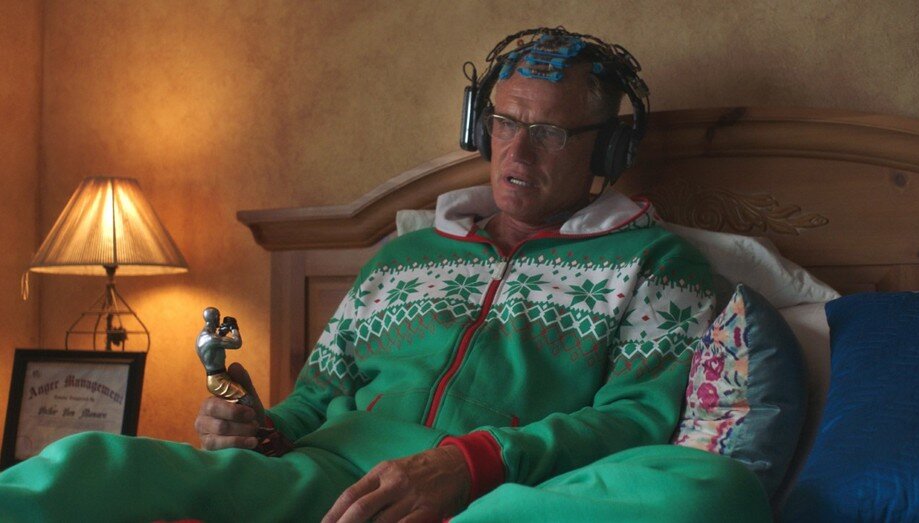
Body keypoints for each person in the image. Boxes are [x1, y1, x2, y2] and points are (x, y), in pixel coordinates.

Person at [0, 28, 770, 522]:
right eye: (504, 122)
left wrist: (467, 463)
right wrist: (258, 429)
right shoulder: (402, 257)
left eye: (549, 132)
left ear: (606, 149)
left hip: (504, 494)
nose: (516, 151)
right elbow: (313, 399)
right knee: (89, 460)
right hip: (330, 481)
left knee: (712, 489)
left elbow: (634, 420)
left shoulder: (656, 263)